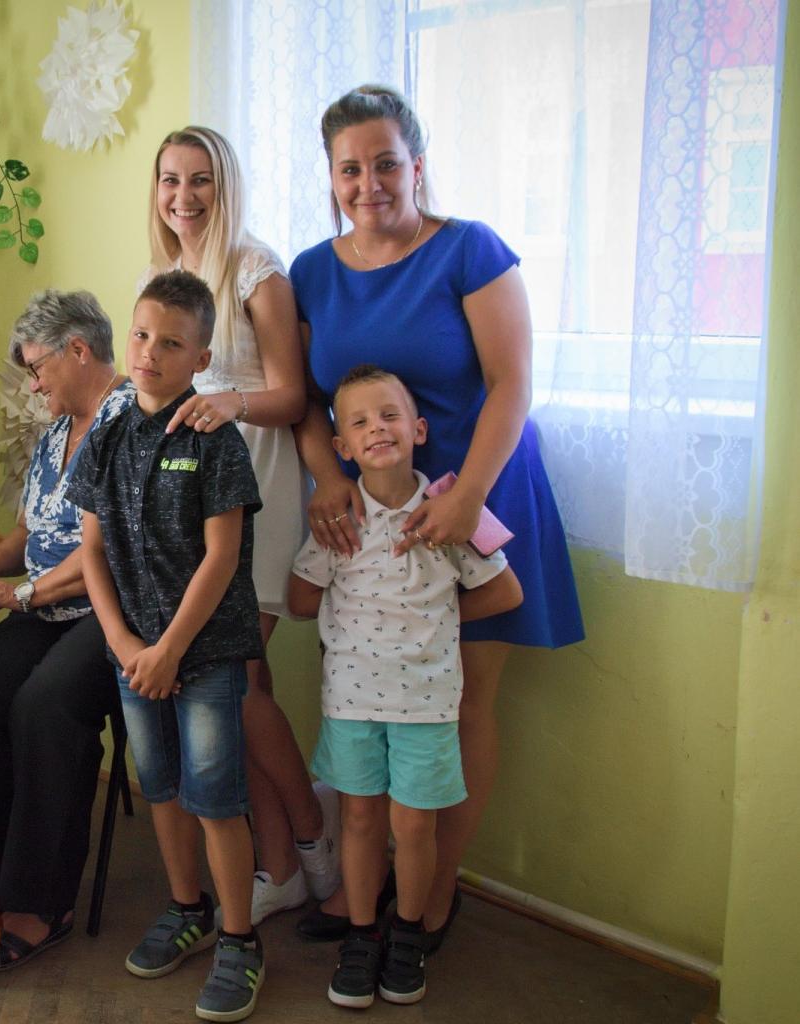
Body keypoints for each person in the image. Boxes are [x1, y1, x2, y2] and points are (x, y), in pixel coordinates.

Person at [289, 84, 585, 944]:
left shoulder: (468, 249)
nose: (367, 183)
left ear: (416, 166)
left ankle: (434, 889)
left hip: (475, 499)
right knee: (366, 699)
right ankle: (369, 878)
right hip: (370, 514)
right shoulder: (311, 272)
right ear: (331, 176)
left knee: (453, 705)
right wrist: (326, 478)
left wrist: (467, 497)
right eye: (349, 169)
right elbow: (306, 401)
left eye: (385, 163)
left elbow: (512, 382)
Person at [141, 127, 340, 925]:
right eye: (170, 180)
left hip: (258, 482)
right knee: (232, 691)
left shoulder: (257, 271)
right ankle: (279, 862)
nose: (183, 196)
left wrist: (228, 401)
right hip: (191, 498)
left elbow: (293, 396)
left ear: (225, 188)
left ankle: (310, 831)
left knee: (241, 683)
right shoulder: (163, 279)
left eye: (200, 180)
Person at [288, 366, 522, 1008]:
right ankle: (362, 936)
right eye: (359, 422)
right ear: (341, 446)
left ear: (418, 429)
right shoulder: (337, 521)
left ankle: (408, 936)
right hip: (352, 702)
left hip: (427, 703)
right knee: (361, 818)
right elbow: (302, 600)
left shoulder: (450, 507)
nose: (377, 429)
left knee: (415, 826)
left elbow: (505, 592)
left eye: (389, 415)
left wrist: (432, 616)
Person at [70, 271, 265, 1023]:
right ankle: (188, 908)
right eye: (142, 335)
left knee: (215, 797)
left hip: (203, 654)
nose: (150, 352)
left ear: (201, 359)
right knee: (160, 787)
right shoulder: (108, 434)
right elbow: (92, 551)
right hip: (134, 656)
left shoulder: (215, 443)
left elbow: (221, 558)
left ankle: (240, 939)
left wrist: (170, 650)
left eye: (172, 343)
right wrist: (125, 643)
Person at [0, 290, 135, 971]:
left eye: (38, 367)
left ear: (79, 350)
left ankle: (42, 902)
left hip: (111, 612)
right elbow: (28, 532)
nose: (34, 384)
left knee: (45, 704)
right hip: (40, 604)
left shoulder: (132, 422)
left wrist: (17, 594)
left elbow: (110, 551)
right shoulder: (53, 433)